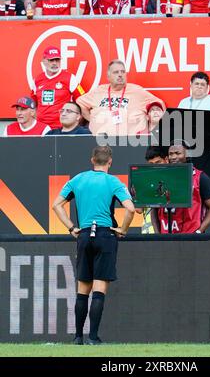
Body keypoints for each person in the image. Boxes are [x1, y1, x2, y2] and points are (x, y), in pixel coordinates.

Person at [52, 145, 135, 345]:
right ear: (110, 162)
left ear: (92, 160)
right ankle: (94, 337)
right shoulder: (114, 182)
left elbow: (56, 205)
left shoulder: (78, 179)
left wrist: (71, 228)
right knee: (99, 289)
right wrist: (123, 229)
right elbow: (130, 209)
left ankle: (78, 337)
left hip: (84, 235)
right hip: (105, 235)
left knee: (83, 290)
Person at [77, 59, 165, 136]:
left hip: (131, 142)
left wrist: (152, 126)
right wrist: (92, 119)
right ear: (108, 76)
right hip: (101, 142)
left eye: (123, 72)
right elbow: (79, 103)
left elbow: (160, 104)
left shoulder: (137, 91)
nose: (120, 75)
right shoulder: (99, 91)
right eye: (116, 72)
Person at [152, 142, 210, 233]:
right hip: (165, 237)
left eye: (178, 153)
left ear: (187, 155)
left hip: (191, 238)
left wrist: (199, 232)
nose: (173, 157)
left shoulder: (200, 178)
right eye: (171, 154)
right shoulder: (160, 178)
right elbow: (154, 209)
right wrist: (158, 234)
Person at [30, 45, 85, 129]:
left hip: (62, 127)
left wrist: (76, 123)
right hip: (41, 128)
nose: (55, 63)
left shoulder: (70, 78)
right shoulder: (37, 79)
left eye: (57, 60)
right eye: (51, 60)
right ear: (44, 61)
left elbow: (82, 101)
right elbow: (32, 105)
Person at [137, 145, 169, 234]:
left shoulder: (175, 178)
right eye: (151, 164)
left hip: (171, 230)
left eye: (158, 162)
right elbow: (139, 209)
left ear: (166, 160)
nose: (155, 167)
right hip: (149, 232)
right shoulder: (144, 180)